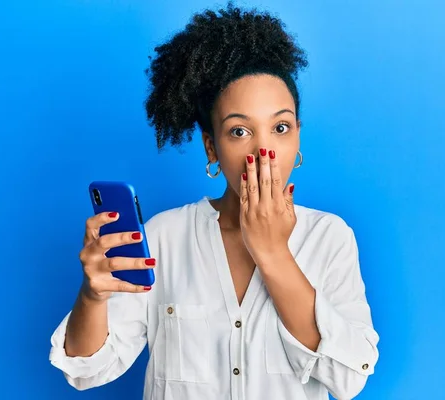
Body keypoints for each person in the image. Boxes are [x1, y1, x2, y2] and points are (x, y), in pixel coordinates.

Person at [49, 3, 379, 399]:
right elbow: (88, 370)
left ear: (298, 137)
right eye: (239, 131)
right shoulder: (164, 237)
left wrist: (273, 253)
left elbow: (349, 378)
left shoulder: (330, 238)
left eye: (280, 127)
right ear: (211, 147)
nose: (264, 151)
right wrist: (93, 294)